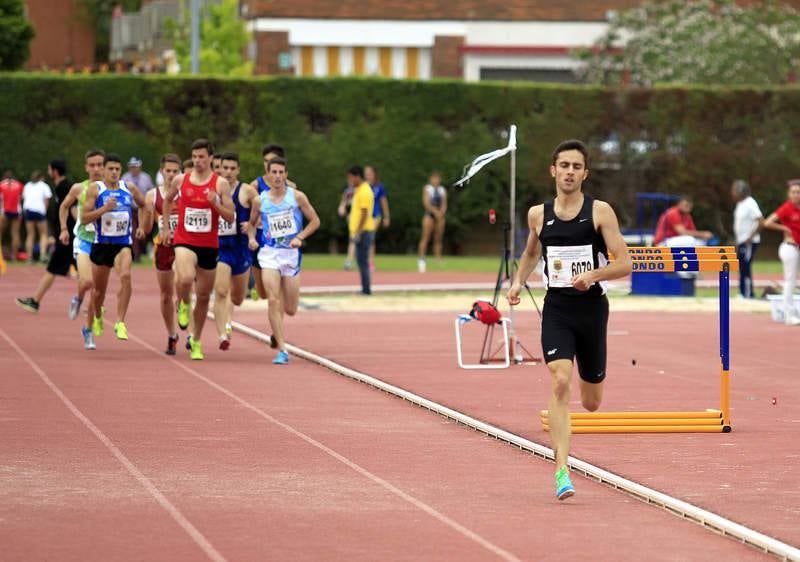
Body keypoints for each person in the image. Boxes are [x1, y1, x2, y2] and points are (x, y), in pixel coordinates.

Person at [507, 139, 631, 500]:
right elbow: (531, 253)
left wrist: (591, 276)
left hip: (591, 310)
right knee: (559, 379)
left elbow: (624, 262)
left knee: (591, 401)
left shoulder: (600, 212)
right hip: (557, 308)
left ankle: (590, 379)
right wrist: (517, 281)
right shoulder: (537, 215)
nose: (570, 172)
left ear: (585, 174)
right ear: (553, 170)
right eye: (564, 166)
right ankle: (562, 469)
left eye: (577, 167)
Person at [162, 138, 235, 360]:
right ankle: (183, 304)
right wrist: (166, 228)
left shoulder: (220, 184)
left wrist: (215, 203)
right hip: (184, 240)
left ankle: (196, 341)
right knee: (184, 279)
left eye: (201, 157)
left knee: (203, 297)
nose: (197, 161)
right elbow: (167, 202)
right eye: (194, 157)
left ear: (211, 158)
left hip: (209, 245)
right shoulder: (181, 180)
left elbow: (230, 217)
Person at [248, 156, 320, 364]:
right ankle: (282, 348)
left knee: (290, 309)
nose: (278, 176)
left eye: (281, 172)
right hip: (269, 253)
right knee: (272, 299)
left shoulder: (297, 197)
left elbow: (315, 221)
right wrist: (252, 239)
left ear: (286, 175)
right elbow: (251, 224)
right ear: (268, 175)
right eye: (274, 172)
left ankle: (277, 329)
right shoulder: (260, 200)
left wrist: (300, 237)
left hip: (290, 256)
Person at [81, 153, 147, 343]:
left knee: (126, 276)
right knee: (99, 291)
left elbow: (144, 206)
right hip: (102, 245)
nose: (114, 172)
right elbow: (85, 218)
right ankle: (98, 316)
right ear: (103, 170)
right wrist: (104, 209)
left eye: (117, 169)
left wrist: (141, 226)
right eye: (110, 169)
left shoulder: (129, 188)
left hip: (122, 244)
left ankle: (120, 322)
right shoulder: (96, 189)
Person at [14, 158, 82, 317]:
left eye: (49, 169)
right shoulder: (60, 186)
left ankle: (36, 301)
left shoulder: (65, 187)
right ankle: (96, 302)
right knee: (82, 272)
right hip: (68, 236)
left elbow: (72, 208)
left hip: (69, 238)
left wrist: (78, 230)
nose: (48, 171)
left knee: (54, 269)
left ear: (55, 171)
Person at [56, 149, 107, 349]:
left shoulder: (113, 189)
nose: (96, 169)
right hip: (84, 241)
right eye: (92, 165)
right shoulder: (79, 188)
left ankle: (87, 330)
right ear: (86, 167)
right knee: (86, 281)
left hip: (104, 244)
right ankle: (77, 298)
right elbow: (63, 206)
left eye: (100, 165)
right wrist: (63, 229)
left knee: (97, 293)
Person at [214, 151, 259, 350]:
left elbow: (264, 210)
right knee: (221, 291)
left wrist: (251, 225)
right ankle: (223, 333)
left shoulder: (247, 191)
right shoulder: (213, 189)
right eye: (225, 168)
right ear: (219, 168)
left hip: (241, 250)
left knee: (237, 297)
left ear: (238, 170)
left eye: (233, 168)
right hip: (220, 248)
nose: (229, 172)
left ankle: (229, 318)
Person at [141, 153, 183, 354]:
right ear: (162, 172)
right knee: (166, 295)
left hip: (184, 245)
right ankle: (171, 334)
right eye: (168, 171)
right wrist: (148, 215)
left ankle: (184, 309)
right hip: (163, 247)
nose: (172, 175)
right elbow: (148, 229)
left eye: (175, 171)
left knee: (184, 282)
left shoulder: (187, 192)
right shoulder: (152, 195)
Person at [249, 144, 295, 301]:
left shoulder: (292, 187)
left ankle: (278, 322)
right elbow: (246, 208)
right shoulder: (255, 185)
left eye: (271, 160)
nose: (267, 163)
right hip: (261, 236)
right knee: (263, 293)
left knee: (277, 290)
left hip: (282, 241)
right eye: (265, 160)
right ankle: (257, 286)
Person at [763, 179, 800, 326]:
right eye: (793, 192)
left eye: (798, 192)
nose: (796, 195)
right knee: (790, 281)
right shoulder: (786, 208)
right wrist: (784, 229)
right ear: (788, 194)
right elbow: (767, 222)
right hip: (789, 248)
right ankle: (789, 315)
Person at [731, 180, 763, 299]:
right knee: (742, 266)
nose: (732, 193)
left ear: (741, 191)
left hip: (749, 242)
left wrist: (750, 237)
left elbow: (761, 221)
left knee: (745, 266)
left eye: (734, 190)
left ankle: (748, 293)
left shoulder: (750, 203)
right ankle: (743, 292)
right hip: (741, 241)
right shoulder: (740, 204)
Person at [347, 166, 375, 295]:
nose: (350, 180)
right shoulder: (360, 189)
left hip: (364, 231)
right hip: (363, 231)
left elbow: (364, 213)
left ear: (357, 176)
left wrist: (358, 231)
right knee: (361, 260)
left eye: (351, 177)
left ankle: (366, 289)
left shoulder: (364, 190)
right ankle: (365, 288)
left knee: (362, 261)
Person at [417, 171, 447, 273]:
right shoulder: (427, 189)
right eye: (434, 178)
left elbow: (444, 204)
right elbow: (426, 203)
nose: (436, 181)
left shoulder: (442, 190)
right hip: (429, 215)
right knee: (425, 237)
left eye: (437, 178)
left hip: (439, 216)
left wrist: (441, 213)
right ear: (431, 179)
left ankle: (438, 258)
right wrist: (435, 212)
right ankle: (421, 259)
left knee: (438, 238)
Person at [22, 170, 52, 262]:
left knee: (30, 234)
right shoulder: (44, 185)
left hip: (28, 210)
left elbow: (24, 198)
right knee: (43, 234)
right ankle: (42, 255)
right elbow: (47, 200)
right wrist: (44, 211)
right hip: (39, 211)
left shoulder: (27, 185)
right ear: (41, 178)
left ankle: (29, 257)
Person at [366, 165, 390, 271]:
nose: (367, 175)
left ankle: (371, 263)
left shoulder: (379, 187)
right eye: (366, 173)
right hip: (363, 216)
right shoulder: (363, 186)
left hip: (375, 215)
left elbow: (384, 202)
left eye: (369, 173)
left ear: (374, 174)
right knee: (362, 239)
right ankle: (363, 261)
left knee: (370, 237)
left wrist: (387, 217)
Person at [0, 170, 24, 260]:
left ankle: (0, 256)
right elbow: (22, 197)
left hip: (5, 211)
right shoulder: (19, 185)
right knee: (15, 234)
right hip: (16, 211)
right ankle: (14, 256)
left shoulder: (1, 184)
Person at [338, 182, 356, 270]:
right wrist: (342, 207)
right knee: (353, 238)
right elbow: (344, 201)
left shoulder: (362, 189)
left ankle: (350, 260)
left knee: (356, 239)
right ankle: (349, 260)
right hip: (351, 216)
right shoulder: (347, 190)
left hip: (360, 216)